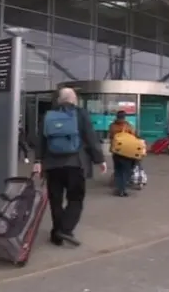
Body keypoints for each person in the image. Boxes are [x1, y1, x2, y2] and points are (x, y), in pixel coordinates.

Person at [33, 87, 106, 247]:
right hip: (76, 164)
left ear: (59, 100)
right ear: (74, 100)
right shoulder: (80, 114)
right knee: (75, 199)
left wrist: (37, 161)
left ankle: (56, 235)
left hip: (52, 165)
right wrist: (99, 160)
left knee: (56, 201)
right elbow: (91, 137)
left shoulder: (48, 116)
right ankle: (65, 230)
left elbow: (40, 140)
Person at [108, 110, 137, 197]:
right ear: (124, 117)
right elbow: (133, 137)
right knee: (126, 171)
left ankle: (119, 189)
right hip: (127, 152)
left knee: (118, 170)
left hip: (116, 151)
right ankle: (123, 189)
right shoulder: (128, 126)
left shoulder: (112, 126)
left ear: (117, 117)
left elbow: (110, 136)